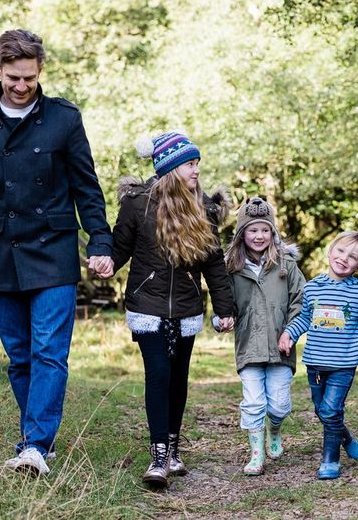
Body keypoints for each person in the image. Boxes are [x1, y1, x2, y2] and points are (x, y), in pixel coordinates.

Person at [0, 29, 113, 476]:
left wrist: (100, 241)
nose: (21, 87)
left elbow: (86, 187)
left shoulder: (64, 119)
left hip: (55, 250)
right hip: (2, 251)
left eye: (29, 78)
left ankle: (36, 444)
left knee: (48, 352)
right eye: (13, 78)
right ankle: (37, 441)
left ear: (40, 73)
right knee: (19, 356)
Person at [108, 131, 234, 488]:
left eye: (196, 164)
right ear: (170, 168)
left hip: (186, 306)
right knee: (158, 374)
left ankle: (174, 447)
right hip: (147, 304)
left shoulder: (204, 208)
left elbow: (214, 265)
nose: (196, 171)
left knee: (178, 377)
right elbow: (121, 248)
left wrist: (225, 308)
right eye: (189, 164)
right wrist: (105, 262)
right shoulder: (138, 204)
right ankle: (159, 454)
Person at [278, 231, 358, 480]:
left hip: (343, 363)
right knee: (322, 411)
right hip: (315, 363)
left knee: (331, 410)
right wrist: (289, 334)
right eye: (340, 251)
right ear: (330, 251)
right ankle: (346, 437)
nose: (344, 258)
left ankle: (330, 459)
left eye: (352, 257)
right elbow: (305, 319)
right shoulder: (312, 288)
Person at [218, 196, 305, 476]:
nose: (259, 236)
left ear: (273, 233)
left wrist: (291, 331)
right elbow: (223, 304)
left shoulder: (285, 266)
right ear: (242, 233)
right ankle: (256, 454)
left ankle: (274, 430)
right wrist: (221, 320)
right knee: (254, 401)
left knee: (279, 405)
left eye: (265, 230)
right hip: (249, 348)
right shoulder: (231, 269)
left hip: (282, 348)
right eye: (252, 230)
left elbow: (301, 302)